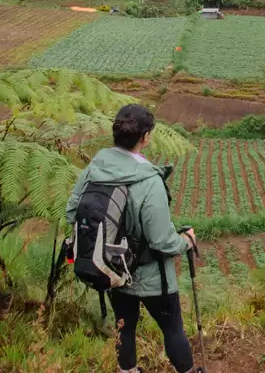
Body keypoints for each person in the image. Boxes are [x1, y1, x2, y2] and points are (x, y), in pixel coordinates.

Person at [66, 104, 196, 373]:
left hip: (111, 269)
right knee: (172, 329)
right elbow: (162, 241)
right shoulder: (150, 180)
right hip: (152, 276)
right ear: (146, 137)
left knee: (124, 327)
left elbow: (71, 212)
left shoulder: (94, 168)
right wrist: (187, 241)